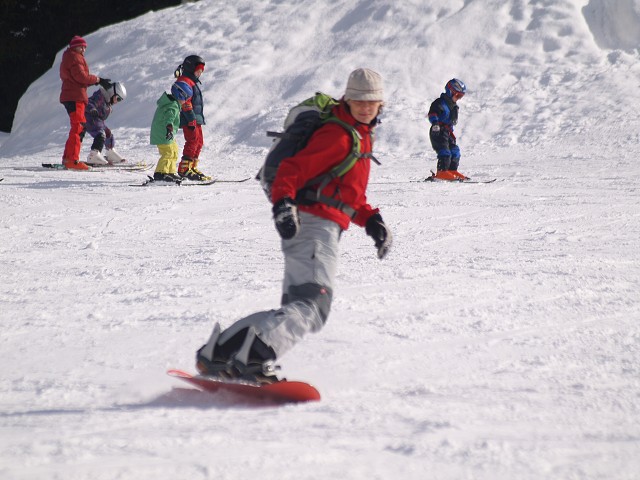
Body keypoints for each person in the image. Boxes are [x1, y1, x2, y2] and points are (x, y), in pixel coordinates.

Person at [195, 68, 393, 384]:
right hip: (316, 227)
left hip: (319, 225)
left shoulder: (357, 134)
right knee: (312, 307)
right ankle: (256, 356)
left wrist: (371, 220)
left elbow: (343, 193)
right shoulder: (339, 134)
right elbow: (292, 169)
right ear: (348, 98)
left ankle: (220, 352)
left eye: (371, 101)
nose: (365, 106)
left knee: (297, 306)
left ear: (381, 103)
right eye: (358, 99)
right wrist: (283, 204)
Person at [59, 35, 111, 170]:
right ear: (75, 46)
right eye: (81, 46)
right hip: (75, 98)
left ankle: (67, 158)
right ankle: (72, 160)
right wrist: (98, 80)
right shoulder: (74, 57)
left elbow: (77, 79)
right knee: (79, 128)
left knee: (76, 127)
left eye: (85, 47)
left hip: (72, 95)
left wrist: (93, 81)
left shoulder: (69, 57)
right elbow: (81, 77)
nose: (83, 49)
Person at [174, 55, 211, 181]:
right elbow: (185, 102)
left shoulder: (192, 82)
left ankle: (192, 167)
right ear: (190, 68)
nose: (200, 73)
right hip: (189, 119)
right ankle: (184, 169)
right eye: (198, 70)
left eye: (201, 71)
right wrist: (190, 118)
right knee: (192, 141)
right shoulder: (184, 82)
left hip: (196, 118)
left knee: (199, 142)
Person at [150, 81, 193, 183]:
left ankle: (170, 172)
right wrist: (169, 127)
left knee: (174, 151)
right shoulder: (172, 105)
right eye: (186, 98)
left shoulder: (172, 103)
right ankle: (160, 173)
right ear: (180, 95)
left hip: (167, 133)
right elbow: (169, 117)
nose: (186, 100)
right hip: (163, 133)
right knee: (168, 152)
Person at [427, 78, 467, 180]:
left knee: (455, 151)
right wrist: (435, 123)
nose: (458, 98)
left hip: (448, 132)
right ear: (450, 91)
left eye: (461, 96)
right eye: (457, 95)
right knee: (445, 151)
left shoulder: (454, 106)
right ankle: (442, 172)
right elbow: (432, 113)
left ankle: (452, 170)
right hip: (438, 131)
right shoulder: (440, 102)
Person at [83, 81, 128, 165]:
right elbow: (88, 102)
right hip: (89, 118)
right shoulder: (100, 96)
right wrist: (92, 109)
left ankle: (110, 153)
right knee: (100, 134)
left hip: (97, 121)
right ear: (112, 92)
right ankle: (93, 155)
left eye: (120, 100)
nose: (117, 102)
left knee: (108, 134)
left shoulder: (107, 103)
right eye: (118, 98)